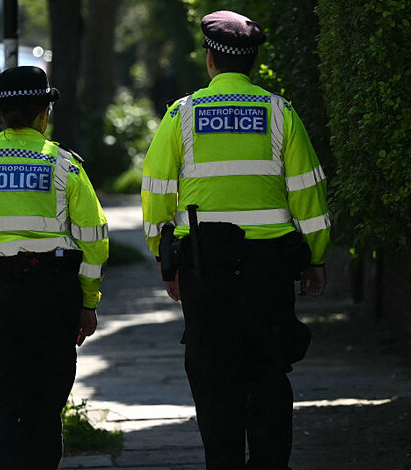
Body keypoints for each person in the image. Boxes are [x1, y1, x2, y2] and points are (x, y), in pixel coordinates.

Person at [141, 10, 330, 469]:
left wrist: (166, 262)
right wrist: (316, 259)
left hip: (205, 269)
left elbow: (157, 194)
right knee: (269, 375)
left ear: (210, 59)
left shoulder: (181, 115)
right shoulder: (280, 113)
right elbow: (308, 193)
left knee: (213, 379)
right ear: (253, 62)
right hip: (270, 269)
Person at [0, 66, 109, 469]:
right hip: (51, 295)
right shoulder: (65, 166)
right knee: (45, 406)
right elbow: (94, 239)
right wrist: (88, 302)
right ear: (44, 114)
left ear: (0, 113)